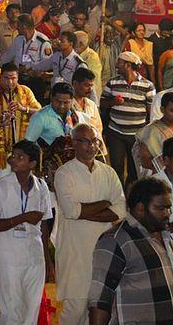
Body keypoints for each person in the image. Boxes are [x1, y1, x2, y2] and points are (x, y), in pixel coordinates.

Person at [88, 177, 173, 325]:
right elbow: (100, 299)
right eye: (161, 208)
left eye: (169, 207)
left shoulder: (166, 237)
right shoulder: (115, 240)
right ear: (140, 208)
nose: (168, 214)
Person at [54, 124, 125, 325]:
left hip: (103, 253)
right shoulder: (64, 173)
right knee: (74, 310)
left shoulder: (108, 173)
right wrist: (104, 204)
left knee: (97, 311)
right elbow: (71, 211)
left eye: (94, 141)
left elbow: (120, 210)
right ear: (74, 143)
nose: (91, 146)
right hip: (75, 251)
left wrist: (84, 212)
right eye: (85, 141)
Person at [0, 140, 53, 325]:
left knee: (32, 307)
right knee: (10, 309)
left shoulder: (41, 187)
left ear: (32, 164)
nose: (13, 160)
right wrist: (22, 218)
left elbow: (44, 225)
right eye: (13, 156)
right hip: (9, 255)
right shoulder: (0, 186)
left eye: (20, 157)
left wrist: (47, 260)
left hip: (34, 254)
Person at [101, 50, 156, 185]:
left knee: (134, 170)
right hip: (116, 133)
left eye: (119, 62)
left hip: (136, 135)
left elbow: (151, 111)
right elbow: (102, 103)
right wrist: (113, 102)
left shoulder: (147, 86)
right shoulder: (112, 83)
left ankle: (130, 197)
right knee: (116, 168)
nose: (116, 65)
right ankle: (118, 197)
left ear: (127, 65)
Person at [0, 62, 41, 177]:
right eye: (6, 78)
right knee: (1, 185)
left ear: (18, 78)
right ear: (0, 77)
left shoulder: (26, 91)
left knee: (23, 182)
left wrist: (23, 109)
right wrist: (1, 123)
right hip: (1, 151)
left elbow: (39, 112)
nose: (10, 82)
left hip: (23, 148)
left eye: (13, 78)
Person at [134, 91, 173, 178]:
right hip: (159, 180)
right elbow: (145, 161)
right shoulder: (150, 131)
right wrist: (170, 166)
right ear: (162, 110)